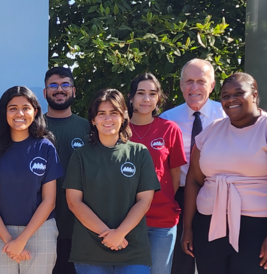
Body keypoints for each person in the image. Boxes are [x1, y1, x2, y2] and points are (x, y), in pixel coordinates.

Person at [181, 72, 267, 274]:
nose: (231, 99)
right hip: (212, 227)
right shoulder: (209, 133)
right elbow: (194, 180)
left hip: (263, 227)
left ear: (255, 95)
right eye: (225, 95)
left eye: (238, 93)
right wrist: (188, 228)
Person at [65, 89, 160, 274]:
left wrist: (120, 233)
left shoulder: (139, 153)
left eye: (114, 113)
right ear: (93, 120)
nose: (108, 119)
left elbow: (144, 201)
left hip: (132, 249)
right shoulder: (80, 156)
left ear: (124, 116)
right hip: (90, 251)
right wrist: (109, 235)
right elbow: (74, 202)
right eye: (101, 114)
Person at [0, 86, 64, 274]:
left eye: (26, 107)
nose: (19, 113)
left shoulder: (45, 147)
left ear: (35, 111)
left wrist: (21, 241)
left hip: (40, 230)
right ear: (4, 112)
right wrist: (9, 240)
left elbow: (49, 201)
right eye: (12, 108)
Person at [159, 58, 226, 274]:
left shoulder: (227, 115)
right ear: (181, 86)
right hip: (180, 195)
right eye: (189, 81)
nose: (194, 87)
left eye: (201, 81)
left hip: (219, 197)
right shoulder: (167, 119)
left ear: (212, 85)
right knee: (181, 262)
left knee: (215, 260)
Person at [128, 73, 187, 274]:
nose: (146, 99)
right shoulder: (119, 129)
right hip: (126, 220)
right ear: (131, 97)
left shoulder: (170, 129)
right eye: (141, 93)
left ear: (158, 99)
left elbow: (175, 175)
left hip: (162, 220)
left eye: (152, 94)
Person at [42, 67, 90, 274]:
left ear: (74, 91)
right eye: (53, 85)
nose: (59, 90)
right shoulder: (34, 127)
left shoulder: (88, 128)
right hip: (41, 223)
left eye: (65, 85)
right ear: (45, 92)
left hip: (78, 225)